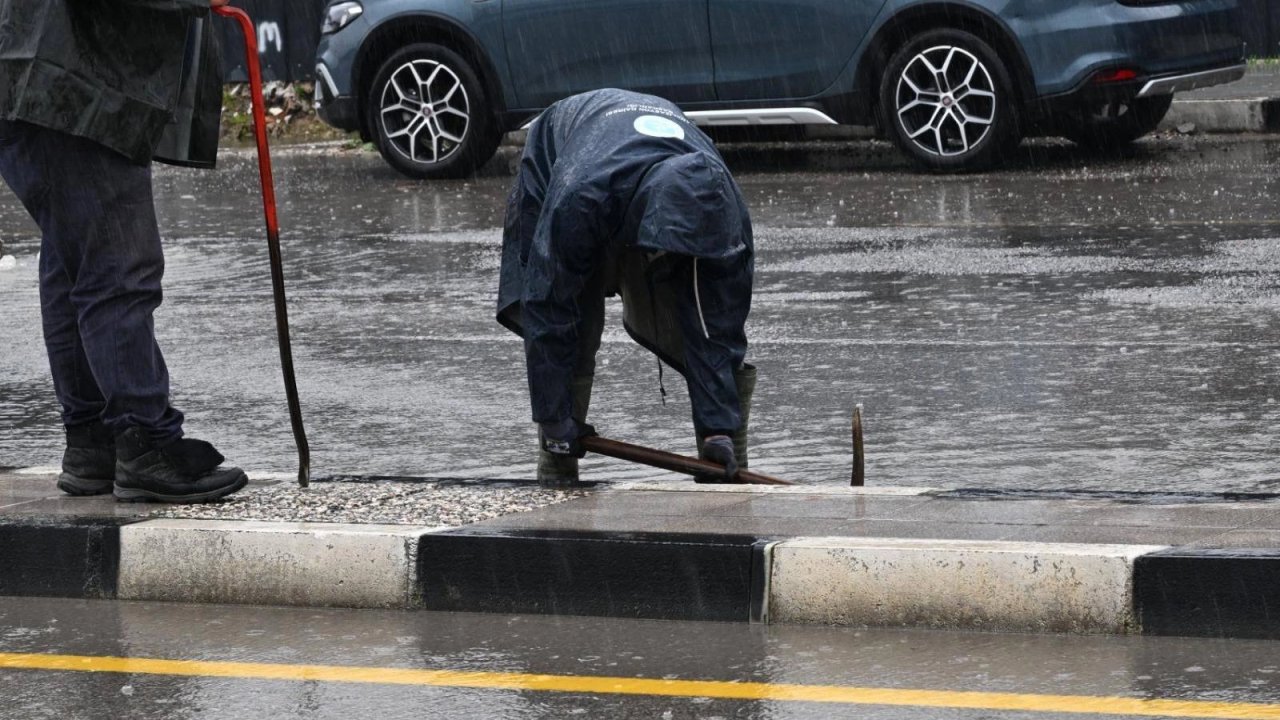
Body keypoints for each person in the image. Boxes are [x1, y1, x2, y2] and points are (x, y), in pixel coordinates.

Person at [0, 0, 247, 503]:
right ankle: (145, 444)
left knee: (75, 261)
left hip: (46, 73)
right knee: (116, 267)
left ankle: (94, 443)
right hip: (76, 82)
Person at [497, 89, 757, 486]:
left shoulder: (724, 211)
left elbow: (716, 324)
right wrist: (554, 419)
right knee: (575, 318)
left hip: (628, 164)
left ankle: (729, 458)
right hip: (568, 156)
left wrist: (717, 429)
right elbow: (549, 304)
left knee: (699, 300)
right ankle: (556, 465)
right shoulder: (579, 197)